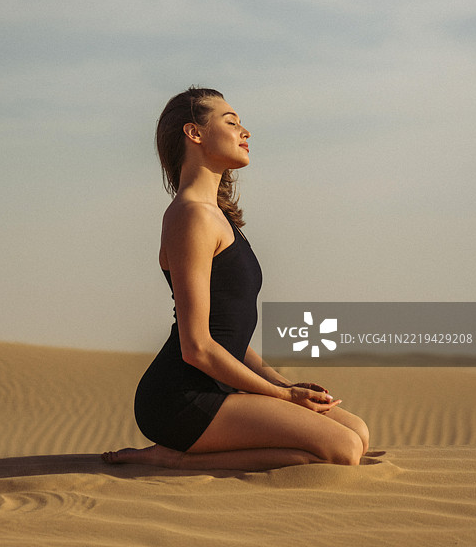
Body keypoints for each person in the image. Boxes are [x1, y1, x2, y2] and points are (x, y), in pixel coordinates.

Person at [102, 86, 369, 470]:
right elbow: (197, 347)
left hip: (219, 383)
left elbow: (229, 335)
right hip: (180, 396)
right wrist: (282, 398)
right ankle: (176, 460)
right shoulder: (190, 216)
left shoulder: (218, 217)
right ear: (194, 133)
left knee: (357, 432)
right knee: (342, 450)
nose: (245, 132)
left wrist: (282, 385)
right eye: (231, 122)